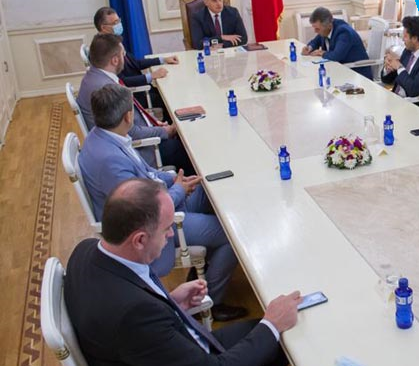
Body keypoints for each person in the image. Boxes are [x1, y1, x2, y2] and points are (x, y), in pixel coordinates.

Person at [65, 178, 300, 365]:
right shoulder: (136, 316)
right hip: (200, 355)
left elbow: (138, 323)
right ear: (140, 240)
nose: (171, 235)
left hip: (175, 346)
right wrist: (272, 323)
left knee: (278, 335)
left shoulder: (84, 251)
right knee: (286, 339)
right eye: (167, 229)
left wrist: (171, 302)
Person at [79, 83, 246, 321]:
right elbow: (143, 211)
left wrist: (175, 179)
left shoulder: (105, 138)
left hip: (163, 198)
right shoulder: (110, 159)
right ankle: (212, 301)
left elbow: (146, 173)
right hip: (154, 224)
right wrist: (178, 189)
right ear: (128, 116)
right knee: (230, 233)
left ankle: (204, 268)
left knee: (213, 191)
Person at [77, 33, 194, 174]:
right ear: (115, 60)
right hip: (139, 151)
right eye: (123, 54)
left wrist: (155, 123)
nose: (125, 58)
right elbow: (131, 132)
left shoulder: (95, 76)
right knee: (188, 146)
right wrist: (164, 131)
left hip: (128, 136)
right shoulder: (106, 89)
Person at [93, 6, 178, 117]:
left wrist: (162, 59)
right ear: (104, 28)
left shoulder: (115, 41)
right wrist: (151, 76)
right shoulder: (105, 50)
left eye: (119, 21)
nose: (119, 25)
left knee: (168, 89)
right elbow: (122, 81)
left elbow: (135, 63)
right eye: (115, 23)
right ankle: (170, 126)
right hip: (134, 93)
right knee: (169, 97)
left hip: (141, 85)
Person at [380, 15, 419, 113]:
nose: (403, 39)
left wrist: (399, 67)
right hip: (396, 101)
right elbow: (387, 80)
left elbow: (413, 90)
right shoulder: (408, 51)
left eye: (405, 36)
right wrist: (388, 68)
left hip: (417, 108)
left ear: (415, 38)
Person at [301, 7, 373, 79]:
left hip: (357, 75)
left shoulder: (344, 32)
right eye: (314, 28)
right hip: (339, 71)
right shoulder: (326, 28)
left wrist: (322, 53)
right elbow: (316, 41)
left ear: (329, 26)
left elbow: (336, 56)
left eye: (317, 29)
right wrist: (309, 48)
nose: (315, 31)